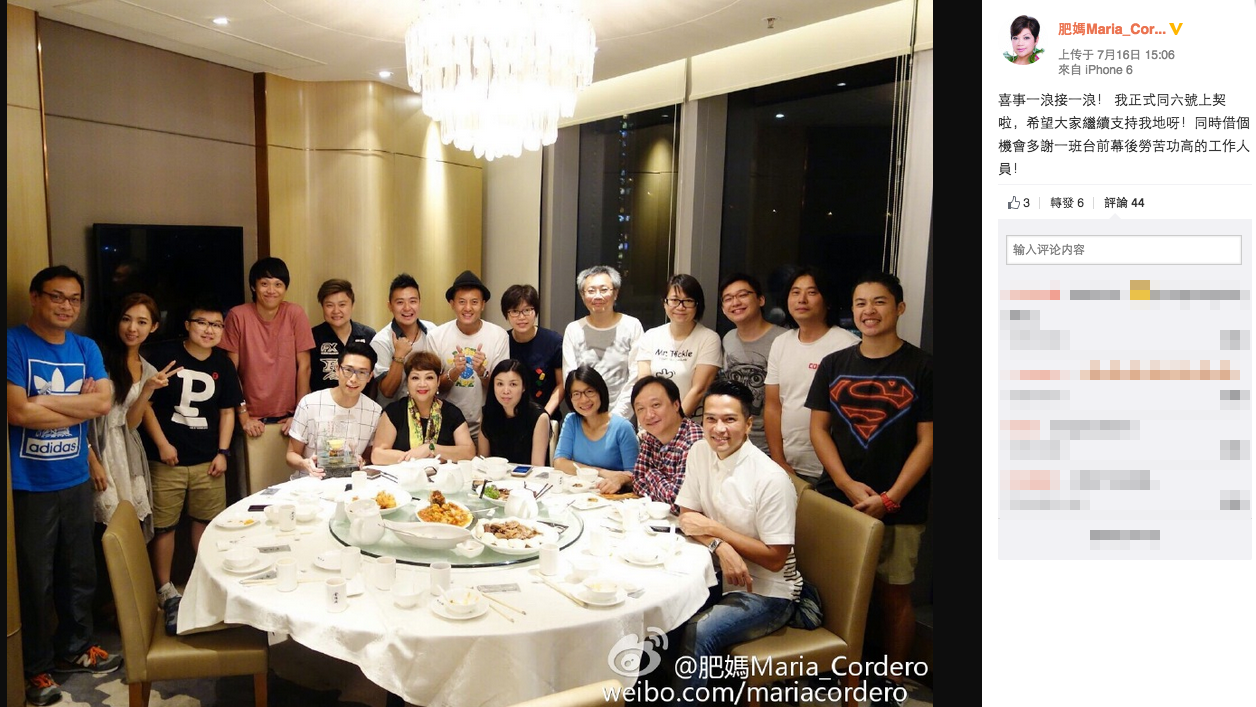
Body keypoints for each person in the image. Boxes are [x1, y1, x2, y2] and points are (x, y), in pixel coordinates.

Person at [806, 272, 932, 705]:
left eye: (879, 302)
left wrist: (891, 497)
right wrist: (844, 483)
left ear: (899, 308)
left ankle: (893, 680)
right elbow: (818, 429)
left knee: (894, 594)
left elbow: (929, 441)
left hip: (901, 503)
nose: (869, 311)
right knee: (835, 591)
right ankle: (843, 677)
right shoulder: (834, 364)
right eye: (861, 303)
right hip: (838, 500)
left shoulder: (923, 367)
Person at [9, 266, 122, 705]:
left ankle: (75, 649)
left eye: (74, 299)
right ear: (35, 297)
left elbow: (104, 403)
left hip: (75, 477)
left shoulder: (85, 347)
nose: (66, 306)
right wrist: (79, 404)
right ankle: (35, 668)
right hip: (29, 483)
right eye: (57, 296)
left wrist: (44, 401)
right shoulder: (14, 343)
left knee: (79, 570)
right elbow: (17, 413)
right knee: (35, 578)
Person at [674, 379, 802, 695]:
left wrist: (717, 531)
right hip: (717, 573)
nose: (719, 429)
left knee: (698, 632)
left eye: (729, 419)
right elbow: (688, 517)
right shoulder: (699, 451)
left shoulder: (771, 479)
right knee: (665, 611)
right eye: (711, 419)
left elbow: (776, 559)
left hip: (768, 591)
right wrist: (719, 546)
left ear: (748, 424)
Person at [141, 297, 243, 637]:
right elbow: (146, 405)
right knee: (165, 527)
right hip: (166, 461)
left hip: (207, 461)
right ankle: (165, 589)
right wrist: (162, 444)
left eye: (216, 325)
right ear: (187, 325)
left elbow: (227, 412)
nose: (209, 330)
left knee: (207, 525)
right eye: (202, 323)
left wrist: (223, 452)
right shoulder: (164, 355)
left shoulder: (223, 364)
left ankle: (205, 583)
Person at [89, 293, 180, 541]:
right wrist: (92, 461)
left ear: (154, 326)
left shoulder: (148, 369)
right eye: (126, 319)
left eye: (141, 322)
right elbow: (83, 417)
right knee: (100, 526)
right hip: (96, 446)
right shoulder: (98, 357)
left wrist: (148, 389)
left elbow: (129, 423)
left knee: (128, 526)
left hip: (126, 451)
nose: (132, 328)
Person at [220, 257, 315, 490]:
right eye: (264, 283)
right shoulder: (238, 316)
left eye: (278, 284)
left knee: (292, 489)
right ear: (254, 286)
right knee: (251, 490)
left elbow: (304, 367)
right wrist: (244, 416)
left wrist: (299, 416)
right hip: (250, 420)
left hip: (288, 420)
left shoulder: (295, 314)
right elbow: (230, 370)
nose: (271, 290)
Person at [764, 267, 860, 483]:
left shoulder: (848, 346)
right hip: (787, 462)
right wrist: (778, 459)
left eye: (812, 292)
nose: (802, 299)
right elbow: (773, 405)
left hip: (829, 469)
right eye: (795, 292)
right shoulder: (781, 343)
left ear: (827, 300)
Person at [597, 376, 703, 507]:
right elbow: (638, 482)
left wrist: (651, 473)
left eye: (656, 405)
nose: (649, 415)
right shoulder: (650, 437)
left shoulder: (694, 442)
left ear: (676, 405)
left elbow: (678, 503)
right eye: (641, 409)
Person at [431, 270, 510, 440]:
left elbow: (504, 388)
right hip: (446, 426)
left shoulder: (499, 336)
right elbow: (431, 387)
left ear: (483, 304)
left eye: (474, 302)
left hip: (486, 425)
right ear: (452, 304)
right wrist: (454, 372)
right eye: (462, 302)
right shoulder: (436, 336)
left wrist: (482, 372)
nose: (468, 308)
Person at [286, 343, 383, 479]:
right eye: (348, 370)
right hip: (310, 481)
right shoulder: (309, 403)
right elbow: (291, 454)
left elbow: (368, 456)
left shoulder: (374, 411)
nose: (353, 379)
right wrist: (305, 464)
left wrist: (362, 461)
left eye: (362, 372)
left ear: (370, 376)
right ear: (337, 369)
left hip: (349, 483)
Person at [718, 272, 788, 455]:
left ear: (761, 300)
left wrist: (778, 454)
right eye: (728, 298)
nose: (735, 302)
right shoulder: (728, 339)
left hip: (772, 446)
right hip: (734, 441)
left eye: (742, 295)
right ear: (723, 308)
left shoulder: (783, 339)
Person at [562, 265, 643, 419]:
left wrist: (617, 417)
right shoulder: (574, 329)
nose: (597, 296)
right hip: (585, 415)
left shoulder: (632, 326)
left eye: (604, 290)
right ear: (582, 295)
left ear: (615, 293)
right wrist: (586, 412)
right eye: (591, 291)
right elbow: (570, 377)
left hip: (623, 417)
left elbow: (636, 376)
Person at [636, 274, 722, 417]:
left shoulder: (709, 339)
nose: (680, 307)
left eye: (688, 301)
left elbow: (699, 389)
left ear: (697, 304)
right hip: (652, 420)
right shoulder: (651, 336)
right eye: (674, 300)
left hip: (688, 423)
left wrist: (674, 423)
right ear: (664, 303)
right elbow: (643, 382)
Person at [372, 351, 476, 463]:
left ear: (438, 381)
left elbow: (469, 452)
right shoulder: (394, 411)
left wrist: (431, 449)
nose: (422, 384)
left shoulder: (452, 413)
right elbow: (377, 455)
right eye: (415, 378)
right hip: (404, 473)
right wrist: (414, 457)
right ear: (407, 382)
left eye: (429, 378)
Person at [553, 365, 639, 483]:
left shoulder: (623, 427)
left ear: (600, 392)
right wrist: (601, 472)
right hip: (581, 489)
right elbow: (559, 463)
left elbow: (634, 477)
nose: (584, 400)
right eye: (576, 394)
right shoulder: (571, 421)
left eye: (589, 392)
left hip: (614, 491)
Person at [370, 273, 437, 407]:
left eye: (413, 301)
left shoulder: (433, 331)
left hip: (428, 412)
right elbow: (388, 392)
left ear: (419, 303)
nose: (407, 308)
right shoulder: (381, 341)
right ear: (390, 306)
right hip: (393, 415)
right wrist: (399, 357)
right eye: (400, 302)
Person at [501, 284, 564, 419]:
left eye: (527, 310)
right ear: (506, 314)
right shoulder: (502, 341)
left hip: (546, 415)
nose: (521, 317)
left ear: (535, 312)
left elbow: (562, 383)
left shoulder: (553, 341)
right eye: (514, 311)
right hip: (509, 417)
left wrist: (544, 415)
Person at [479, 359, 551, 466]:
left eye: (513, 384)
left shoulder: (539, 417)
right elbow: (482, 460)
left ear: (523, 387)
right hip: (496, 475)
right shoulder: (488, 412)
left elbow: (537, 467)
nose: (506, 391)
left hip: (529, 475)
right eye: (500, 384)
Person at [310, 278, 376, 393]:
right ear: (322, 307)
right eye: (329, 305)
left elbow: (375, 380)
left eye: (342, 305)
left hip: (360, 401)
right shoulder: (313, 337)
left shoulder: (368, 335)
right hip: (322, 402)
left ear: (352, 305)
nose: (336, 311)